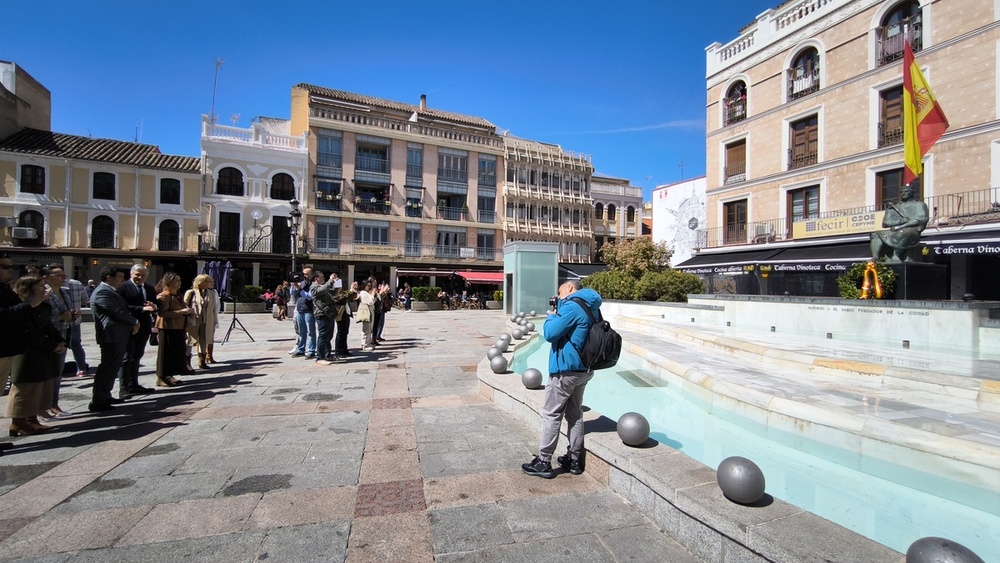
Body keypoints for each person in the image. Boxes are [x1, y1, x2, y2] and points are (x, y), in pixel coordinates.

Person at [522, 280, 603, 479]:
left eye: (560, 292)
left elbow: (550, 334)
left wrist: (552, 315)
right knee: (575, 414)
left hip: (565, 371)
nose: (559, 296)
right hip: (584, 369)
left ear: (569, 288)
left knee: (552, 414)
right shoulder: (593, 307)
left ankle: (544, 462)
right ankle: (574, 460)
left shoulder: (572, 307)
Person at [7, 275, 67, 435]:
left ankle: (32, 419)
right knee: (25, 388)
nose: (45, 289)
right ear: (29, 288)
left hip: (43, 352)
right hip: (27, 352)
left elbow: (48, 325)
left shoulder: (43, 306)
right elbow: (29, 332)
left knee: (39, 387)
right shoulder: (22, 306)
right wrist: (51, 345)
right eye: (41, 286)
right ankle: (18, 422)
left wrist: (59, 341)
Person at [89, 266, 139, 412]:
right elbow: (115, 312)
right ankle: (98, 400)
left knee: (113, 367)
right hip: (111, 336)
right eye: (119, 277)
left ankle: (105, 395)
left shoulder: (111, 291)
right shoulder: (102, 292)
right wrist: (134, 321)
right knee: (107, 368)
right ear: (109, 277)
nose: (122, 280)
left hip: (118, 335)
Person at [117, 264, 157, 398]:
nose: (140, 277)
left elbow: (155, 305)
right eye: (137, 274)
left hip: (144, 328)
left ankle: (134, 384)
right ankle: (124, 388)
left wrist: (154, 306)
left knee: (137, 356)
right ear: (131, 273)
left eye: (143, 275)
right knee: (127, 358)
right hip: (130, 328)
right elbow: (121, 307)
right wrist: (141, 309)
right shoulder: (123, 287)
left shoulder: (149, 288)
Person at [42, 265, 74, 418]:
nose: (63, 277)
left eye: (63, 274)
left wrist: (72, 315)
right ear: (46, 277)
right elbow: (40, 316)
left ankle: (54, 403)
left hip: (63, 336)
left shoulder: (64, 292)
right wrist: (61, 317)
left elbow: (67, 312)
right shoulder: (44, 293)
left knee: (57, 372)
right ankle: (45, 406)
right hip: (49, 339)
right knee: (48, 374)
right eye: (58, 275)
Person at [870, 183, 929, 262]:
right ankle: (875, 257)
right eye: (901, 192)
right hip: (895, 230)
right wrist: (900, 221)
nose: (903, 193)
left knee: (904, 232)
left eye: (906, 191)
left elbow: (921, 220)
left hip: (913, 231)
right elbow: (885, 223)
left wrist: (904, 225)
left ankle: (896, 255)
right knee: (875, 233)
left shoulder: (920, 205)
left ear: (911, 193)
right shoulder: (894, 207)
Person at [154, 272, 193, 387]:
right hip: (167, 328)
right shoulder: (164, 296)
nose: (179, 283)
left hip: (178, 326)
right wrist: (181, 312)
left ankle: (169, 375)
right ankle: (161, 376)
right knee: (165, 353)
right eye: (176, 281)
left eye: (179, 280)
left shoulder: (177, 295)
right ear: (169, 282)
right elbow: (162, 313)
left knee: (174, 353)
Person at [184, 274, 221, 369]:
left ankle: (202, 360)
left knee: (204, 339)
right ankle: (187, 361)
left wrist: (214, 321)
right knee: (190, 340)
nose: (209, 283)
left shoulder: (211, 293)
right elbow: (184, 305)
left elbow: (213, 309)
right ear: (200, 282)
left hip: (207, 320)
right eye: (207, 281)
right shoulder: (191, 292)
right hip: (194, 319)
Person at [309, 271, 340, 365]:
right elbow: (323, 289)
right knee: (323, 336)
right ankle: (320, 357)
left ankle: (327, 354)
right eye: (322, 277)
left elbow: (332, 292)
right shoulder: (314, 287)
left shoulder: (324, 286)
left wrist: (337, 283)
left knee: (328, 336)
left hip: (329, 313)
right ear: (316, 278)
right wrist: (330, 280)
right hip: (321, 314)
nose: (324, 279)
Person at [64, 274, 89, 377]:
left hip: (62, 320)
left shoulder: (55, 286)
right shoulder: (77, 283)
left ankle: (58, 368)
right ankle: (81, 368)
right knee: (76, 344)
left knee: (60, 345)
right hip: (76, 320)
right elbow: (86, 299)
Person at [290, 270, 316, 358]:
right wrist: (294, 285)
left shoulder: (313, 284)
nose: (305, 276)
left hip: (309, 310)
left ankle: (311, 350)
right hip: (300, 309)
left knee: (310, 332)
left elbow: (309, 297)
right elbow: (292, 293)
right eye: (303, 274)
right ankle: (301, 349)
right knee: (301, 331)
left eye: (307, 274)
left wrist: (300, 289)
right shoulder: (301, 283)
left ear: (311, 274)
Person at [332, 281, 358, 357]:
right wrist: (351, 290)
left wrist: (353, 289)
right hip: (340, 314)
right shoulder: (333, 293)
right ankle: (338, 351)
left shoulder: (342, 292)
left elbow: (351, 296)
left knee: (345, 332)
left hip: (346, 313)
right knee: (340, 332)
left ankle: (344, 349)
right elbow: (343, 297)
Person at [357, 280, 377, 352]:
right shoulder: (363, 293)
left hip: (371, 311)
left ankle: (368, 343)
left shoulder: (367, 292)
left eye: (370, 286)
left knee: (370, 329)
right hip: (366, 312)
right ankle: (364, 345)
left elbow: (373, 301)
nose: (369, 287)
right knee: (366, 329)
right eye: (367, 285)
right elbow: (369, 301)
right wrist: (372, 294)